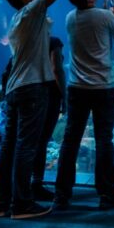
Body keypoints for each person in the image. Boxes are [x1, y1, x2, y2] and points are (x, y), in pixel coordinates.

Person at [0, 0, 80, 220]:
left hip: (15, 89)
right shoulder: (31, 11)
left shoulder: (18, 19)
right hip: (32, 88)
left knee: (9, 146)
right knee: (27, 145)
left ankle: (2, 202)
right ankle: (22, 204)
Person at [53, 0, 114, 209]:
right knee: (104, 140)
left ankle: (62, 195)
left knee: (70, 140)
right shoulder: (105, 16)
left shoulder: (69, 17)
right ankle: (107, 194)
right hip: (103, 87)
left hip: (77, 88)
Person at [30, 35, 66, 200]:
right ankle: (36, 184)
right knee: (41, 140)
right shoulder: (53, 42)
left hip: (29, 91)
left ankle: (21, 184)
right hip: (49, 95)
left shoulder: (27, 38)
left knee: (27, 140)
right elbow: (56, 69)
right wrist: (64, 96)